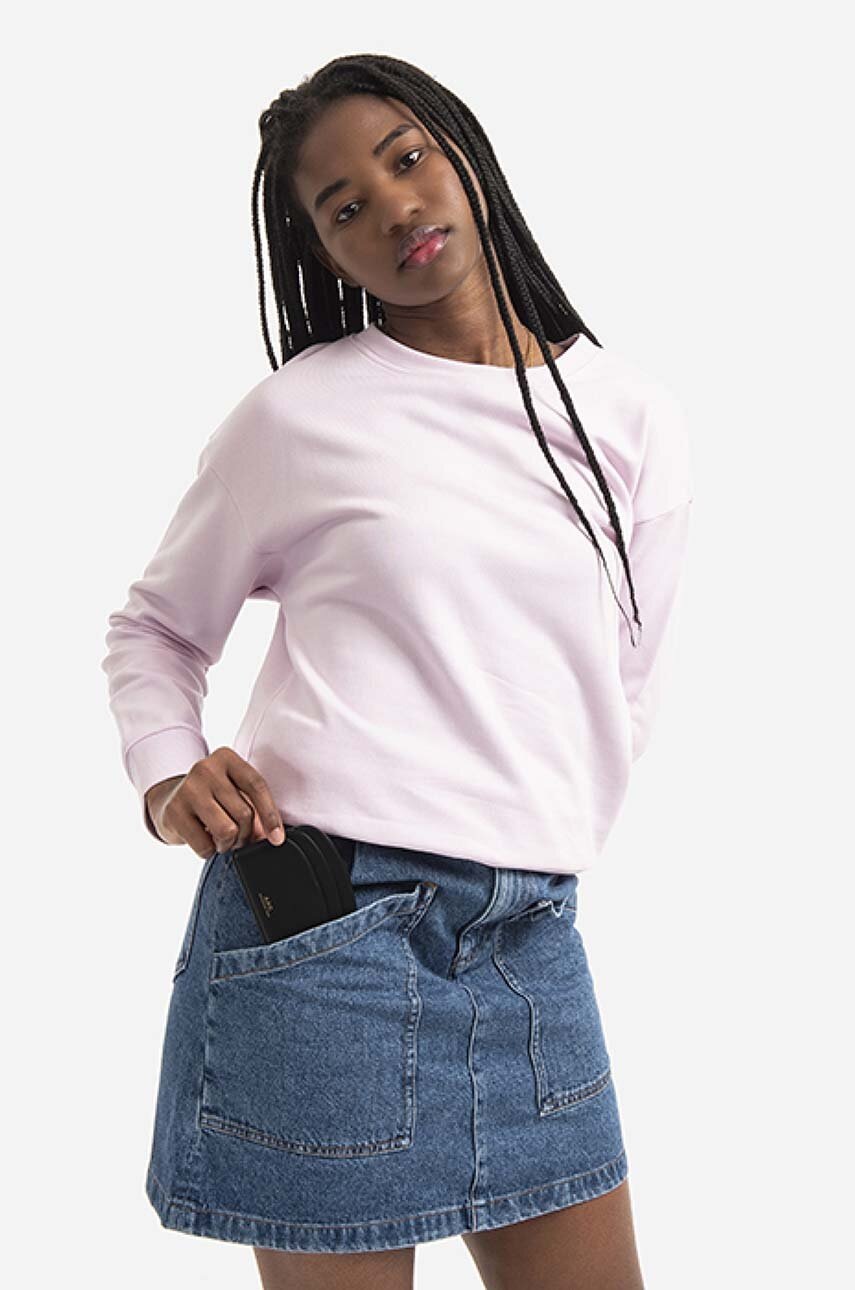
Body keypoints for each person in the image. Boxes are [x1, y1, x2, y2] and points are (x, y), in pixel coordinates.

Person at [101, 51, 693, 1290]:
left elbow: (624, 683)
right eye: (345, 208)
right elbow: (156, 628)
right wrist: (167, 776)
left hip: (532, 938)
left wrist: (529, 798)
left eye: (408, 158)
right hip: (327, 933)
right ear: (324, 253)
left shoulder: (626, 414)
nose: (395, 208)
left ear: (463, 151)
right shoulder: (302, 417)